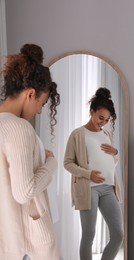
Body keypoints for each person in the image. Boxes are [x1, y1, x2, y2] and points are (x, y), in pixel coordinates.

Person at [0, 43, 60, 260]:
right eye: (42, 103)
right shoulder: (19, 128)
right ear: (30, 94)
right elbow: (24, 192)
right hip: (25, 244)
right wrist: (51, 165)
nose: (39, 111)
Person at [64, 87, 123, 260]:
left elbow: (112, 164)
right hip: (89, 188)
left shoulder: (107, 134)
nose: (103, 122)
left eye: (106, 119)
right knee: (89, 235)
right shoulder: (77, 134)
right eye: (100, 117)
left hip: (109, 188)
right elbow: (68, 163)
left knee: (118, 234)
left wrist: (116, 153)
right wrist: (89, 174)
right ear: (92, 111)